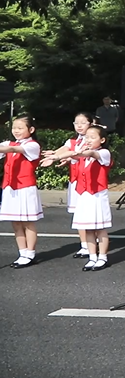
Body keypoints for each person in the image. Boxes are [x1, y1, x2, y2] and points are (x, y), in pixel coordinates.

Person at [39, 111, 93, 258]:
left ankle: (93, 245)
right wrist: (54, 155)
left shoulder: (91, 142)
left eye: (83, 122)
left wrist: (57, 157)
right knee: (78, 214)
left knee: (89, 214)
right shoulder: (73, 141)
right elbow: (66, 149)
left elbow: (73, 153)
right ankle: (84, 246)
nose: (79, 126)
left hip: (90, 183)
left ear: (91, 123)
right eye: (76, 123)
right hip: (75, 182)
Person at [0, 115, 43, 268]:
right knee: (16, 223)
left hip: (25, 187)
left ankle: (30, 254)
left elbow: (12, 149)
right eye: (14, 128)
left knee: (28, 222)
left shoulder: (33, 145)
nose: (16, 131)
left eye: (20, 128)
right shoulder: (8, 143)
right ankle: (22, 252)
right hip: (10, 187)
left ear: (31, 130)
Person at [70, 125, 113, 271]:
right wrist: (57, 156)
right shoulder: (82, 154)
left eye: (92, 137)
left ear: (102, 140)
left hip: (97, 195)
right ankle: (92, 256)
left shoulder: (104, 153)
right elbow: (73, 156)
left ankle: (103, 257)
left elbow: (92, 154)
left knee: (100, 228)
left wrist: (81, 152)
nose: (88, 140)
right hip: (84, 195)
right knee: (87, 228)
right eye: (87, 137)